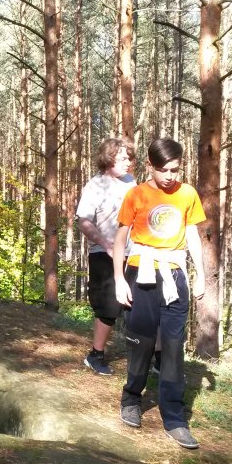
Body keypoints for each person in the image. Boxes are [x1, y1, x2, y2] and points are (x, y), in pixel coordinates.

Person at [113, 137, 206, 449]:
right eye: (163, 170)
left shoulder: (187, 194)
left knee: (173, 345)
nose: (169, 176)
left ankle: (175, 418)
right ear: (150, 166)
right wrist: (119, 279)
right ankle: (131, 399)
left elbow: (192, 235)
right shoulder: (136, 194)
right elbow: (120, 238)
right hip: (141, 272)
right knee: (141, 341)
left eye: (175, 170)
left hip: (174, 274)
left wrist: (200, 275)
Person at [75, 138, 136, 375]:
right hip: (104, 253)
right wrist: (105, 244)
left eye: (129, 158)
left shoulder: (131, 182)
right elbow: (83, 221)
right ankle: (95, 355)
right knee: (109, 307)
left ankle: (153, 358)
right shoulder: (95, 185)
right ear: (108, 159)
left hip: (134, 253)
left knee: (140, 304)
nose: (128, 162)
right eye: (123, 158)